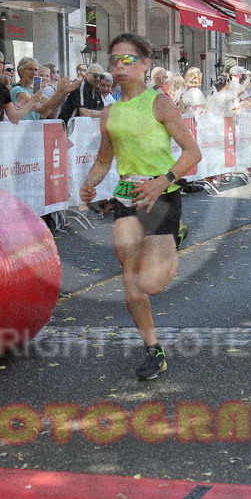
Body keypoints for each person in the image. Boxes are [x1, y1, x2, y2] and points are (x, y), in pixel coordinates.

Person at [80, 32, 201, 381]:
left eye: (128, 59)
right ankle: (153, 349)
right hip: (125, 196)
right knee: (130, 278)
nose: (119, 65)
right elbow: (105, 159)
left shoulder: (160, 104)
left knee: (152, 284)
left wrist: (162, 181)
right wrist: (89, 183)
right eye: (115, 59)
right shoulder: (109, 113)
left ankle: (175, 235)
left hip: (160, 196)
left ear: (145, 64)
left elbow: (193, 152)